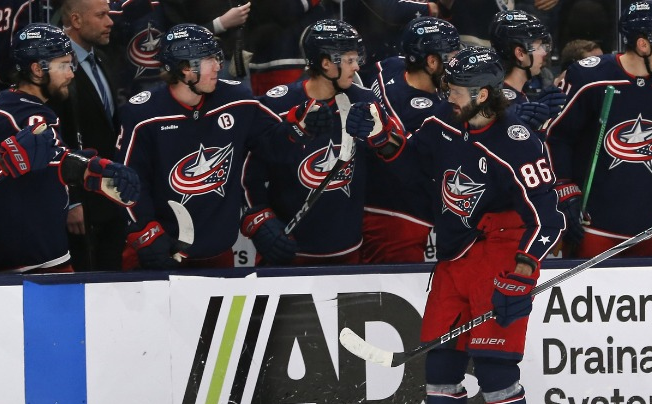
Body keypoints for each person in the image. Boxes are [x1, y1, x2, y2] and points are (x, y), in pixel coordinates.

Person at [346, 46, 564, 404]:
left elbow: (549, 218)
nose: (449, 97)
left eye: (457, 91)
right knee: (441, 366)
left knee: (495, 367)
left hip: (500, 257)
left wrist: (522, 275)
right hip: (453, 257)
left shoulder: (518, 142)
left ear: (484, 94)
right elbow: (406, 165)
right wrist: (376, 135)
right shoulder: (440, 126)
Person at [115, 23, 317, 270]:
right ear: (184, 68)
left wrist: (299, 127)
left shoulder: (237, 100)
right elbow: (127, 181)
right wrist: (145, 231)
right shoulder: (143, 115)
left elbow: (272, 146)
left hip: (218, 253)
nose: (218, 67)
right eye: (209, 60)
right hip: (160, 253)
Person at [0, 23, 139, 274]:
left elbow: (49, 157)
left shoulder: (0, 101)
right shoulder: (33, 115)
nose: (71, 73)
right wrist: (96, 171)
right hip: (28, 258)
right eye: (63, 65)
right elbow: (55, 159)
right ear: (37, 70)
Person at [545, 0, 652, 258]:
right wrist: (564, 190)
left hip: (647, 226)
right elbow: (557, 137)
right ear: (643, 44)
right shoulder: (589, 78)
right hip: (592, 225)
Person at [242, 18, 401, 265]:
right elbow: (247, 173)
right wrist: (258, 220)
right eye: (349, 60)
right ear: (326, 63)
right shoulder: (277, 106)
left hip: (347, 253)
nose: (357, 67)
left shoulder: (366, 102)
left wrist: (383, 136)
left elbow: (397, 161)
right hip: (289, 254)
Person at [360, 16, 461, 264]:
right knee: (387, 296)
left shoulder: (391, 66)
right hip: (398, 218)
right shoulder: (422, 114)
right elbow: (418, 168)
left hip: (377, 206)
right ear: (431, 61)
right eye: (452, 57)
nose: (457, 64)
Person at [51, 0, 127, 271]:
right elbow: (55, 139)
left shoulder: (103, 59)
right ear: (76, 20)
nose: (110, 22)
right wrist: (71, 199)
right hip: (79, 202)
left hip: (109, 196)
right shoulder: (53, 68)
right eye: (102, 15)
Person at [489, 9, 567, 132]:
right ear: (520, 53)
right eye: (539, 46)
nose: (544, 52)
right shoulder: (503, 102)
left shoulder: (511, 94)